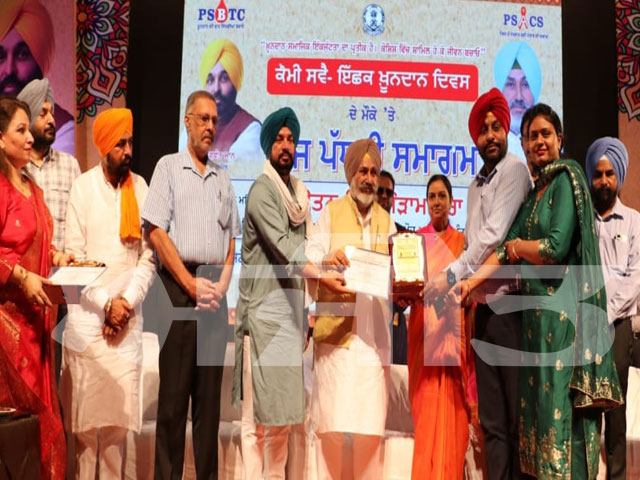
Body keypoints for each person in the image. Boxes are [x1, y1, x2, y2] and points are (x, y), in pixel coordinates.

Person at [452, 103, 623, 478]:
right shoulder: (533, 196)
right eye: (531, 136)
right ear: (525, 145)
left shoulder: (567, 179)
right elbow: (502, 250)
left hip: (562, 325)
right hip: (534, 327)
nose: (538, 142)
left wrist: (516, 248)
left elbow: (553, 247)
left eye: (546, 134)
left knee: (562, 423)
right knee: (539, 423)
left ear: (560, 138)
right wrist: (469, 283)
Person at [233, 106, 350, 479]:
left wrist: (328, 259)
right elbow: (285, 248)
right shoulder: (262, 192)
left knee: (282, 420)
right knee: (255, 423)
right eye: (279, 140)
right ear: (268, 145)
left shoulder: (299, 194)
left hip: (288, 321)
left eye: (291, 140)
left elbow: (308, 245)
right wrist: (324, 278)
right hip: (260, 320)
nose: (286, 146)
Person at [424, 88, 532, 480]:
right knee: (492, 422)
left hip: (512, 311)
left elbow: (493, 235)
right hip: (482, 313)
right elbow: (472, 244)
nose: (490, 136)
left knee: (516, 420)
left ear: (505, 130)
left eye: (495, 127)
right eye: (483, 130)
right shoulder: (473, 186)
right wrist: (460, 288)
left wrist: (451, 276)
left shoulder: (515, 170)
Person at [142, 90, 240, 479]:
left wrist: (222, 284)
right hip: (178, 290)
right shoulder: (168, 167)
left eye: (215, 120)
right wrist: (189, 283)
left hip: (214, 293)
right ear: (187, 121)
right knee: (172, 405)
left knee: (208, 408)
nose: (210, 127)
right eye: (203, 119)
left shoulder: (223, 178)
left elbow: (231, 241)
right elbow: (155, 231)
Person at [60, 108, 155, 479]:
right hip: (87, 324)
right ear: (103, 146)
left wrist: (125, 305)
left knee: (116, 433)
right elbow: (74, 258)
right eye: (120, 144)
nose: (128, 150)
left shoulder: (141, 188)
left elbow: (148, 257)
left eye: (130, 142)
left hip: (127, 324)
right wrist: (106, 305)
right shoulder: (83, 188)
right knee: (85, 433)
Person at [306, 138, 395, 479]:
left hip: (373, 343)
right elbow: (309, 255)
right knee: (329, 429)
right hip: (336, 343)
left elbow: (396, 273)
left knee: (370, 433)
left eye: (373, 172)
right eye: (362, 171)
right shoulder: (330, 213)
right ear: (350, 175)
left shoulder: (387, 222)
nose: (369, 179)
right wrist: (329, 259)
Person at [0, 96, 73, 479]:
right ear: (0, 138)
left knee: (44, 424)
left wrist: (59, 257)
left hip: (39, 326)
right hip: (8, 331)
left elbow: (37, 242)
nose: (30, 138)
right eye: (21, 130)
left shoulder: (34, 188)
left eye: (30, 130)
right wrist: (19, 276)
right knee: (16, 432)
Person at [407, 174, 469, 479]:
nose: (436, 202)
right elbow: (408, 285)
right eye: (431, 196)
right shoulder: (415, 242)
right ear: (426, 202)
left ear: (451, 202)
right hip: (423, 336)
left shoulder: (463, 244)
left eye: (442, 196)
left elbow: (468, 287)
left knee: (452, 417)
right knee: (425, 413)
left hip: (451, 342)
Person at [586, 137, 640, 480]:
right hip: (583, 328)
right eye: (598, 174)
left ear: (619, 176)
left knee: (615, 415)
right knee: (586, 412)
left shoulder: (634, 221)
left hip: (617, 327)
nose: (603, 181)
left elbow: (635, 279)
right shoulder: (582, 222)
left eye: (609, 174)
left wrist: (604, 314)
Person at [0, 0, 74, 154]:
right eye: (0, 56)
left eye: (22, 54)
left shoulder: (63, 137)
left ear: (40, 61)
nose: (9, 70)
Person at [178, 38, 262, 168]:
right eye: (210, 80)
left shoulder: (251, 130)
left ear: (235, 82)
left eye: (224, 78)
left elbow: (235, 172)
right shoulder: (191, 126)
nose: (216, 88)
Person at [18, 78, 80, 251]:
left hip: (61, 264)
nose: (52, 120)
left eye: (52, 113)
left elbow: (79, 224)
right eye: (43, 113)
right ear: (27, 120)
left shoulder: (70, 165)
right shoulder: (14, 166)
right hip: (21, 266)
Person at [377, 169, 408, 365]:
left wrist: (406, 297)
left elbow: (409, 280)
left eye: (388, 193)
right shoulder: (361, 233)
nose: (384, 196)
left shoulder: (403, 235)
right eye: (379, 191)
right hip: (365, 321)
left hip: (395, 322)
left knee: (396, 380)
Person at [494, 41, 541, 161]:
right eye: (511, 85)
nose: (519, 97)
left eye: (526, 85)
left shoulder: (548, 148)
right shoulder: (485, 147)